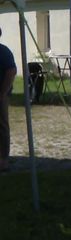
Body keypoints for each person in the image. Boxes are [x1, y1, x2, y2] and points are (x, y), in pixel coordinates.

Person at [0, 27, 17, 171]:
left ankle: (4, 159)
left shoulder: (3, 51)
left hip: (0, 95)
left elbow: (11, 71)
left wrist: (3, 93)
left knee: (2, 126)